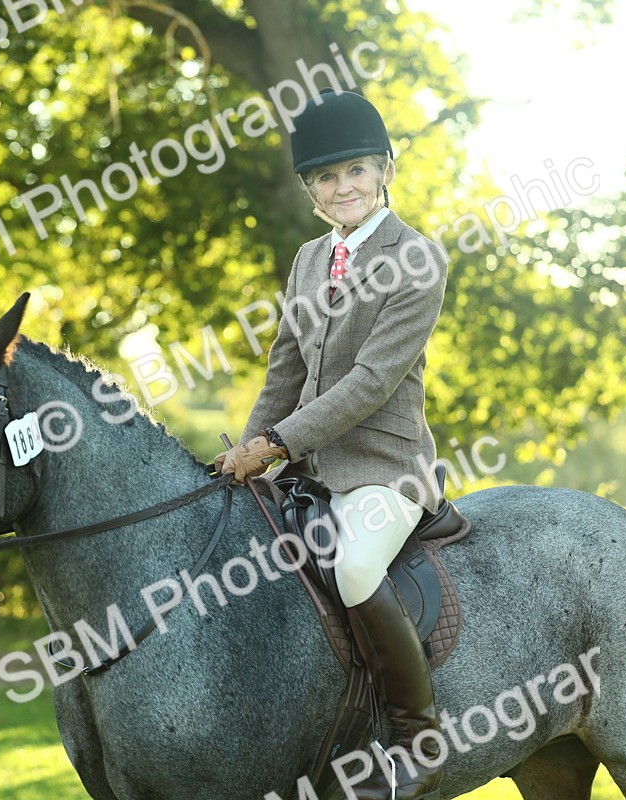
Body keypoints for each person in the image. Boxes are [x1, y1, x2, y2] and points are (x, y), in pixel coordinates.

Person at [214, 88, 448, 800]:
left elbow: (373, 380)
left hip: (386, 472)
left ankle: (418, 736)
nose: (340, 187)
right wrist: (248, 447)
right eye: (324, 177)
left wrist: (277, 443)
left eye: (353, 171)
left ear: (383, 169)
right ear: (310, 189)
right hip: (308, 469)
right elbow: (285, 366)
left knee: (351, 567)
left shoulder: (417, 257)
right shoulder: (309, 260)